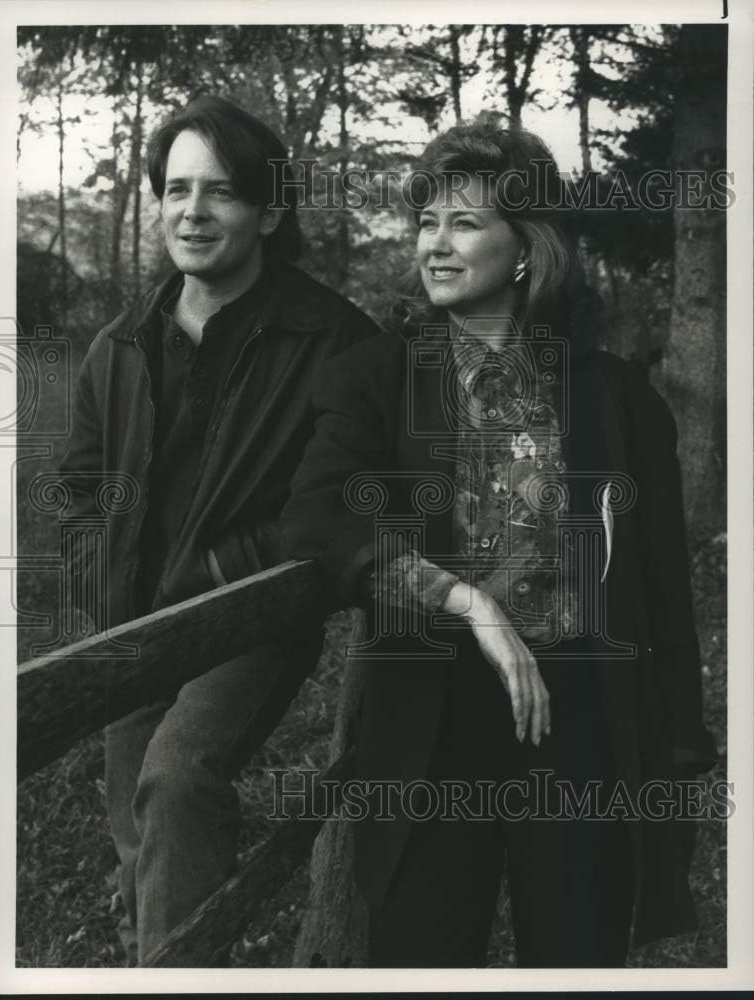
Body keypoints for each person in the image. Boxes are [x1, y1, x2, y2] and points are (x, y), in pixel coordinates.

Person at [280, 121, 718, 967]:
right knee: (422, 961)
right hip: (432, 729)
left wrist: (681, 747)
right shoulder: (377, 376)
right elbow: (317, 515)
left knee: (578, 959)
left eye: (465, 223)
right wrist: (464, 600)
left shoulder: (618, 398)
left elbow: (663, 586)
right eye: (426, 223)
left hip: (583, 725)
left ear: (526, 250)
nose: (434, 245)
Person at [59, 94, 378, 965]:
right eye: (176, 190)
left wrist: (224, 571)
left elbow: (350, 500)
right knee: (135, 826)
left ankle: (181, 974)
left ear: (269, 212)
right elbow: (80, 487)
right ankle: (155, 958)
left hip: (251, 618)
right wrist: (101, 584)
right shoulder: (120, 345)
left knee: (177, 779)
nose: (192, 212)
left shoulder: (337, 342)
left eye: (222, 191)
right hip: (134, 621)